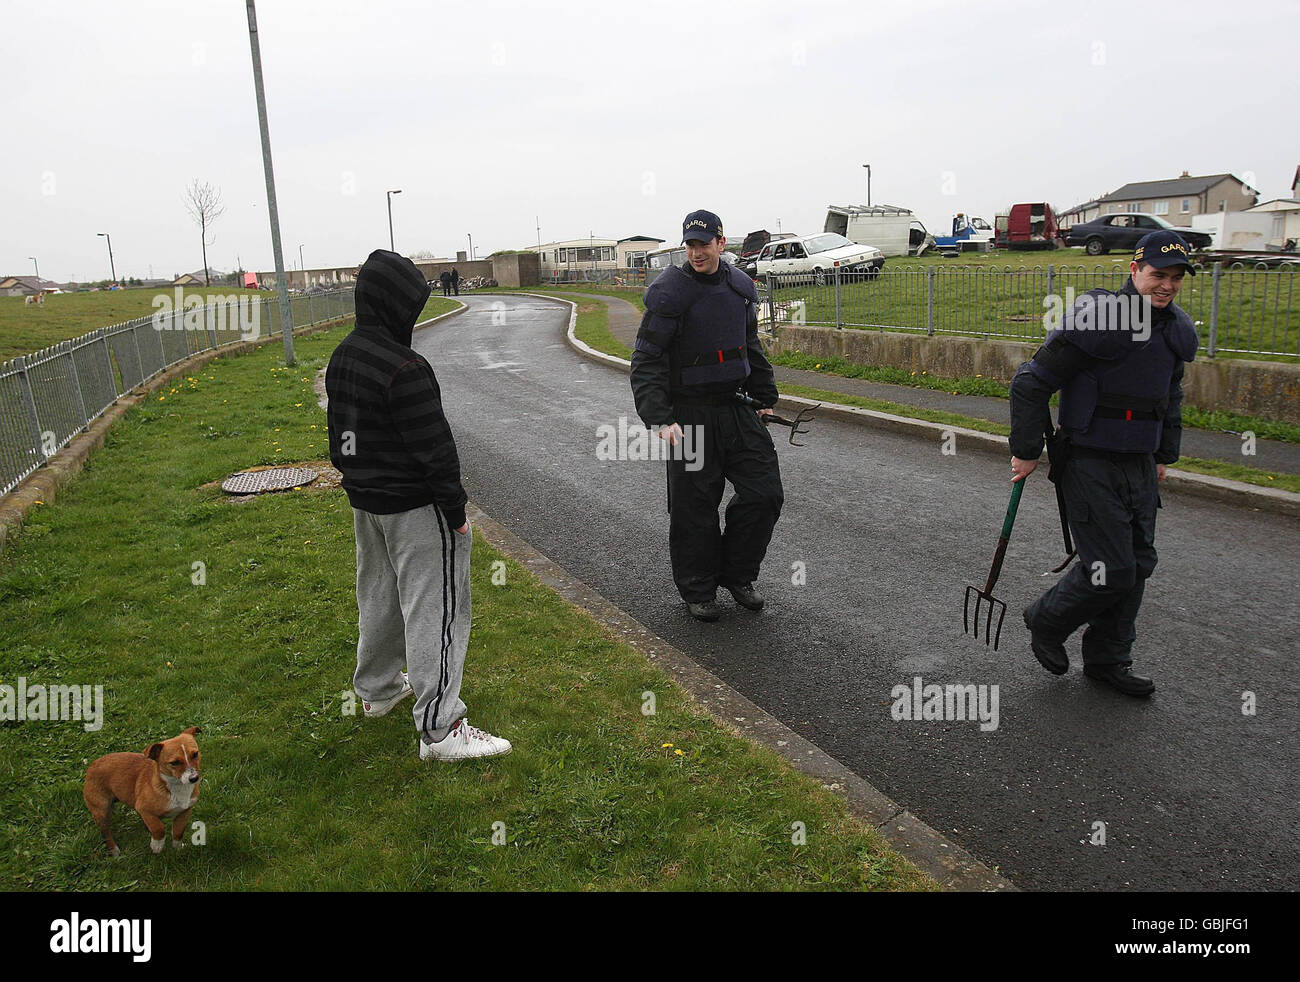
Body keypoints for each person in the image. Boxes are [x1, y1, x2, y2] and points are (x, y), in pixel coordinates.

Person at [326, 249, 511, 759]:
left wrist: (357, 484)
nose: (414, 315)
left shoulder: (343, 354)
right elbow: (436, 450)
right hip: (415, 509)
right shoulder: (406, 367)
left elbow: (338, 435)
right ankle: (441, 729)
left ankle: (378, 690)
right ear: (392, 304)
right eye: (411, 305)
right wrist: (456, 516)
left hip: (368, 506)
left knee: (379, 597)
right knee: (437, 611)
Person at [1009, 230, 1199, 697]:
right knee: (1110, 567)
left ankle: (1108, 659)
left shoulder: (1176, 330)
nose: (1167, 285)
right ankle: (1047, 620)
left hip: (1139, 463)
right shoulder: (1098, 319)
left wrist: (1163, 455)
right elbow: (1031, 383)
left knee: (1138, 563)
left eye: (1176, 278)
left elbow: (1169, 398)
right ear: (1134, 271)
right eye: (1158, 274)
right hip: (1089, 461)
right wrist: (1027, 450)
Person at [630, 209, 783, 622]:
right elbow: (646, 361)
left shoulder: (738, 288)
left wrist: (764, 394)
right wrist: (659, 417)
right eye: (690, 245)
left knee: (764, 493)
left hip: (736, 407)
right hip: (689, 416)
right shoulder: (669, 294)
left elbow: (749, 346)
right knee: (695, 507)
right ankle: (698, 588)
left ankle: (736, 575)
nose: (696, 252)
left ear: (721, 242)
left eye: (704, 244)